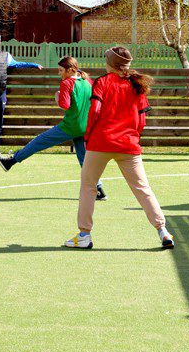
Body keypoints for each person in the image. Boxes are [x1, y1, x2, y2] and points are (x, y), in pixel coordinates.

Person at [63, 46, 174, 250]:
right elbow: (142, 120)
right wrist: (132, 136)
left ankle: (84, 235)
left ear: (110, 63)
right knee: (143, 189)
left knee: (88, 186)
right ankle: (163, 231)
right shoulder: (136, 84)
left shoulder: (102, 82)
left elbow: (95, 112)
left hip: (100, 142)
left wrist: (88, 136)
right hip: (128, 144)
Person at [0, 56, 107, 200]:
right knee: (84, 159)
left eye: (61, 70)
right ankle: (99, 190)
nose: (59, 73)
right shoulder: (86, 80)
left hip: (70, 126)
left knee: (39, 141)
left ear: (70, 70)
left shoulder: (66, 83)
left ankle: (10, 161)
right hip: (86, 126)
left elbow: (64, 105)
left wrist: (57, 96)